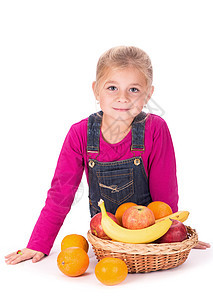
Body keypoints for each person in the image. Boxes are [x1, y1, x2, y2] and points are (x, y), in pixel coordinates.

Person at [5, 46, 210, 265]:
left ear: (148, 94)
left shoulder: (155, 129)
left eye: (133, 90)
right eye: (112, 87)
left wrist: (173, 233)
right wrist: (38, 243)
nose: (122, 98)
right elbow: (61, 193)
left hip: (148, 240)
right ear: (96, 90)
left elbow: (165, 191)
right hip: (106, 238)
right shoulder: (80, 134)